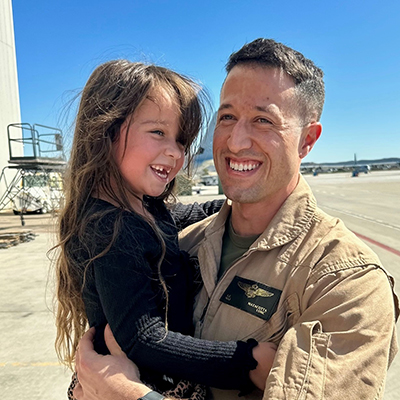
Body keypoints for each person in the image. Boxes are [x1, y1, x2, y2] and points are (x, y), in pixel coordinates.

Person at [73, 39, 399, 400]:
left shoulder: (344, 282)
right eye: (227, 117)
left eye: (263, 120)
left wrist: (125, 394)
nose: (236, 141)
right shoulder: (182, 240)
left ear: (307, 140)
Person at [54, 59, 278, 400]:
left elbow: (185, 214)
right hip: (152, 384)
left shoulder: (142, 207)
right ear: (106, 131)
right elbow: (145, 338)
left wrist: (242, 201)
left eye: (181, 140)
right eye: (158, 132)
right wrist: (245, 361)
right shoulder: (110, 228)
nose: (175, 153)